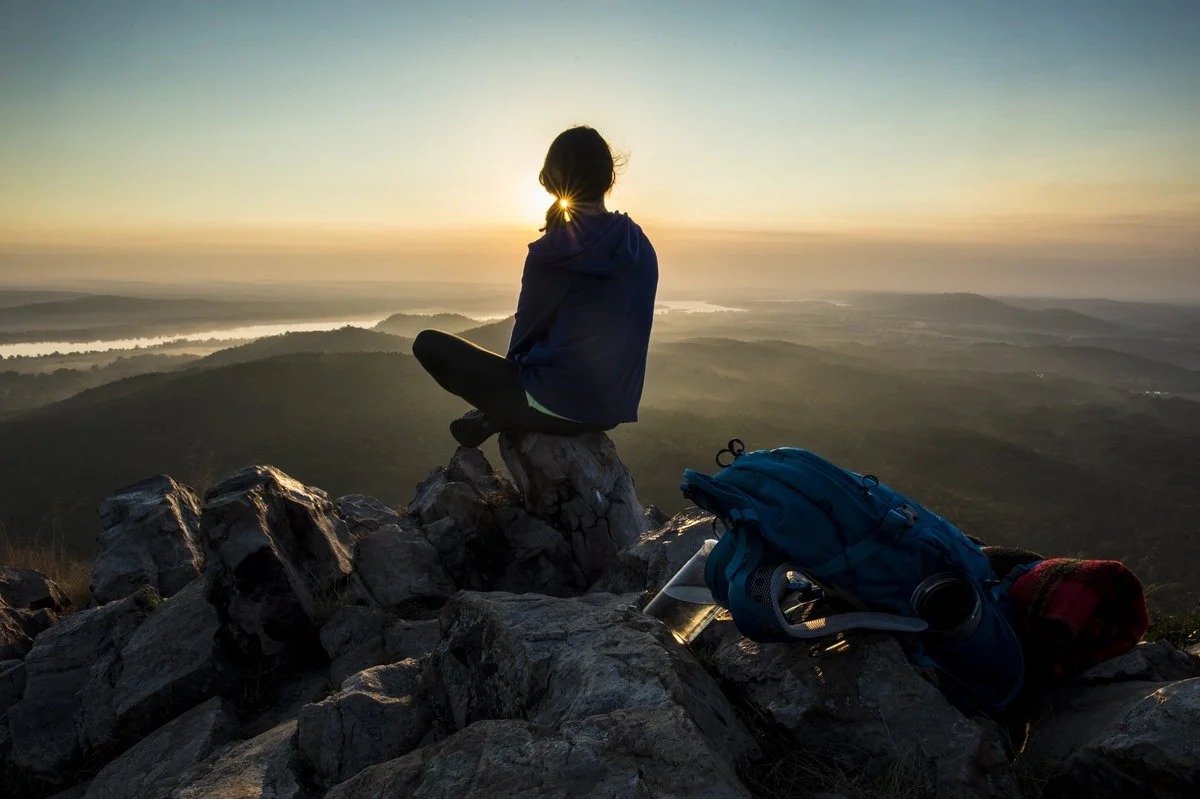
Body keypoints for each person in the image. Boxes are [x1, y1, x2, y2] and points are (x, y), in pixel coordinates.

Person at [412, 126, 659, 448]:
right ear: (609, 179)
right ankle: (499, 415)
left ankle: (503, 413)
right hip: (612, 409)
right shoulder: (638, 243)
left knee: (427, 343)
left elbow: (524, 338)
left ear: (550, 180)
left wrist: (503, 391)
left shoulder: (554, 251)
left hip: (557, 404)